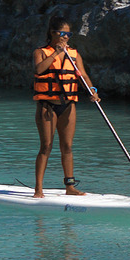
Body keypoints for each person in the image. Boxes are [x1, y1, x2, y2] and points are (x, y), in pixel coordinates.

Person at [32, 15, 91, 196]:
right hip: (47, 106)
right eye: (62, 33)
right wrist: (57, 53)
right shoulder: (40, 52)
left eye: (68, 34)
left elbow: (83, 76)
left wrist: (92, 90)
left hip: (68, 105)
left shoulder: (74, 54)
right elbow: (39, 70)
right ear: (52, 33)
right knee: (46, 146)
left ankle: (70, 187)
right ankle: (38, 188)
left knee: (67, 146)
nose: (66, 37)